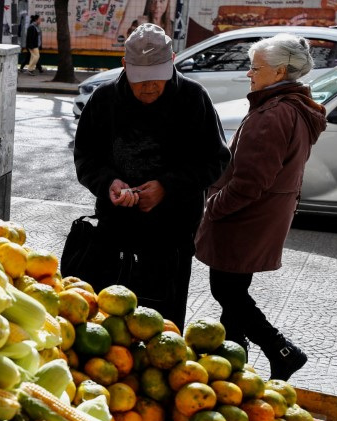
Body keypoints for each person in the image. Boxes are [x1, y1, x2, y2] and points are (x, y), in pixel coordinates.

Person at [73, 23, 230, 329]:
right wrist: (108, 184)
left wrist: (166, 188)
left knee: (163, 324)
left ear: (172, 61)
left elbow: (216, 160)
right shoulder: (104, 100)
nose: (148, 88)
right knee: (109, 322)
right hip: (113, 230)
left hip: (171, 235)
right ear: (124, 66)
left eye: (156, 79)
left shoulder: (193, 98)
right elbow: (85, 159)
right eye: (140, 80)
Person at [194, 34, 326, 380]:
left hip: (244, 220)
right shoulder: (291, 107)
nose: (249, 74)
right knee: (233, 292)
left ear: (280, 71)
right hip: (260, 218)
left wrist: (214, 207)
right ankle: (233, 365)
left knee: (227, 291)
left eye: (256, 68)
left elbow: (250, 182)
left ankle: (282, 350)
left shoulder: (273, 114)